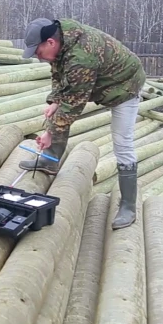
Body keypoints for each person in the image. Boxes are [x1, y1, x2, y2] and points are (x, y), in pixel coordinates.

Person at [19, 18, 146, 229]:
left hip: (125, 85)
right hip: (99, 79)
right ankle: (50, 161)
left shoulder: (80, 57)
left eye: (38, 52)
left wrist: (50, 132)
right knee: (59, 112)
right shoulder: (61, 41)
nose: (38, 57)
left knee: (122, 142)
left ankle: (128, 206)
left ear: (50, 42)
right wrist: (54, 101)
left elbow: (73, 104)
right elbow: (59, 75)